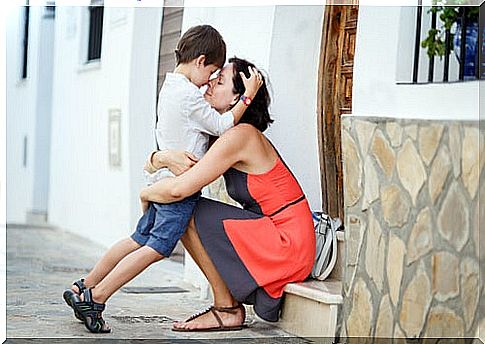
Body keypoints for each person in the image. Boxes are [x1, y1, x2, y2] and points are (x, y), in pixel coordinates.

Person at [62, 25, 262, 334]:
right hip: (179, 192)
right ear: (200, 61)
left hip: (165, 183)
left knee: (135, 240)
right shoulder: (191, 98)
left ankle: (82, 286)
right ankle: (96, 297)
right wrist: (247, 98)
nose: (209, 81)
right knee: (156, 248)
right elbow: (223, 125)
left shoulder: (171, 88)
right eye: (211, 73)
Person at [141, 57, 316, 332]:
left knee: (189, 209)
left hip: (289, 243)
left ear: (239, 97)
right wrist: (160, 157)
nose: (209, 84)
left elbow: (178, 189)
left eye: (219, 81)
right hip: (275, 232)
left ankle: (227, 309)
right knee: (188, 208)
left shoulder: (241, 136)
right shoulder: (225, 134)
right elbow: (172, 173)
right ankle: (226, 305)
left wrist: (146, 191)